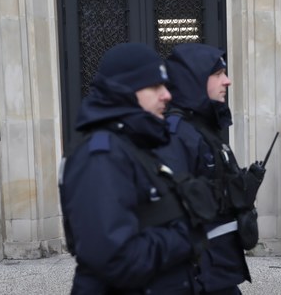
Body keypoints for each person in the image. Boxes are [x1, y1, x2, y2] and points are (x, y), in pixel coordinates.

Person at [59, 43, 216, 294]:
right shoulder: (101, 154)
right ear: (125, 91)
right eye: (155, 86)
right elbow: (117, 259)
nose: (167, 95)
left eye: (165, 85)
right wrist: (186, 233)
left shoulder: (130, 145)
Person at [156, 43, 266, 294]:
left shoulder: (203, 129)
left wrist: (242, 189)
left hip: (218, 271)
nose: (226, 81)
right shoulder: (177, 134)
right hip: (196, 276)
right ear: (194, 80)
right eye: (217, 75)